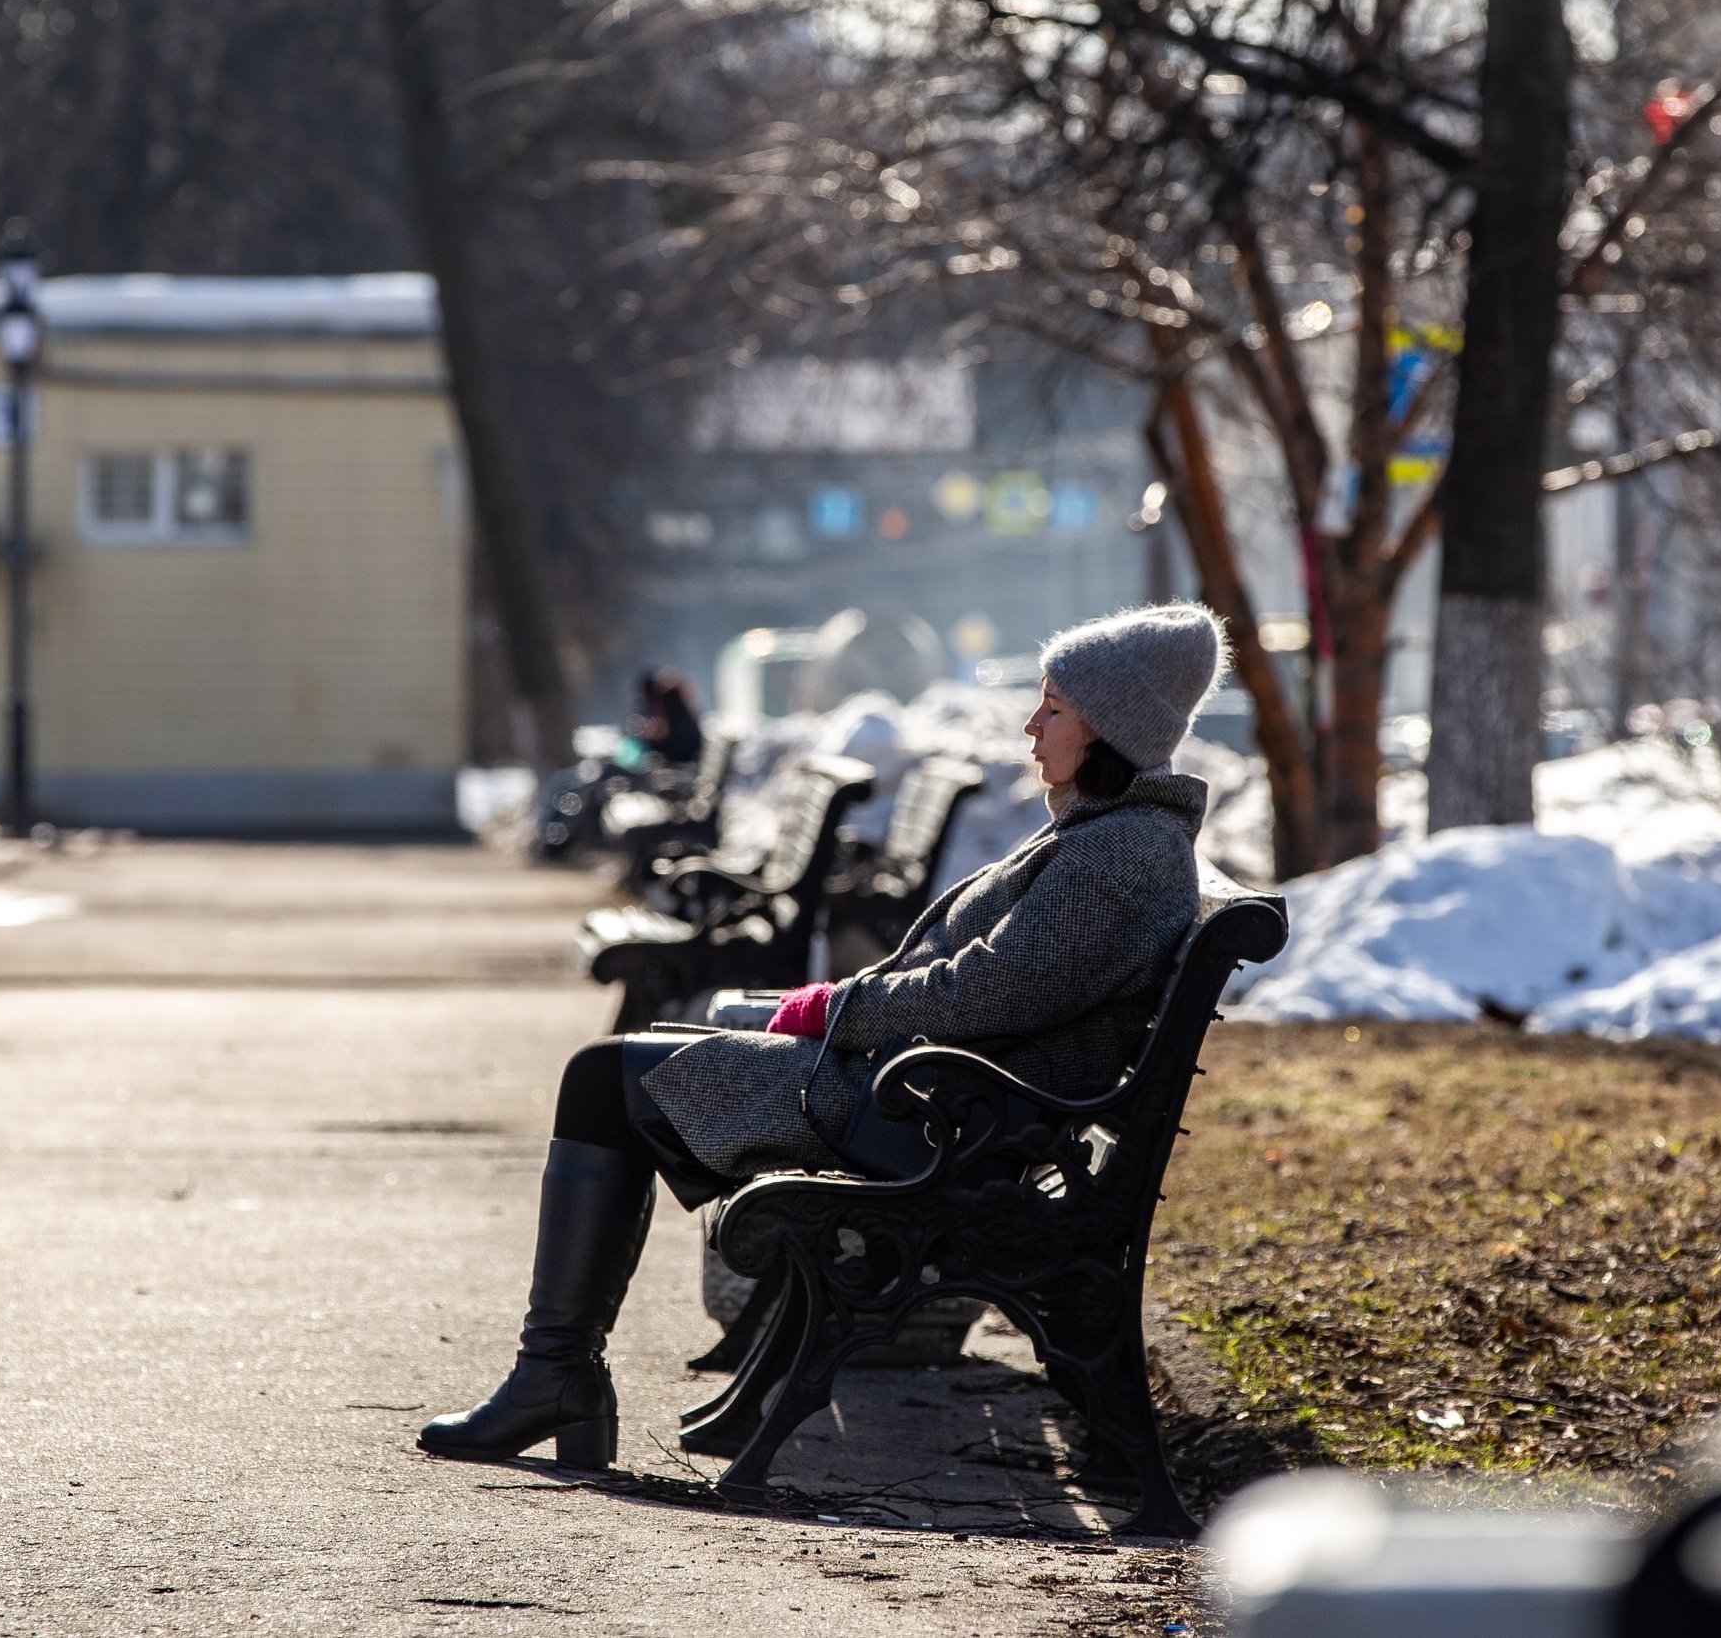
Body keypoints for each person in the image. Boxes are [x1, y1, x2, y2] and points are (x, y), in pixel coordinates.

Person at [418, 601, 1226, 1468]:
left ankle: (556, 1375)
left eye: (1054, 706)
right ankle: (558, 1374)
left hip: (926, 1119)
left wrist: (827, 1011)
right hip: (940, 1102)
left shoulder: (1122, 854)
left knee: (602, 1079)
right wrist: (833, 1006)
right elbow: (989, 988)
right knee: (623, 1069)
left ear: (1113, 727)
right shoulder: (1113, 835)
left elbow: (982, 994)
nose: (1032, 724)